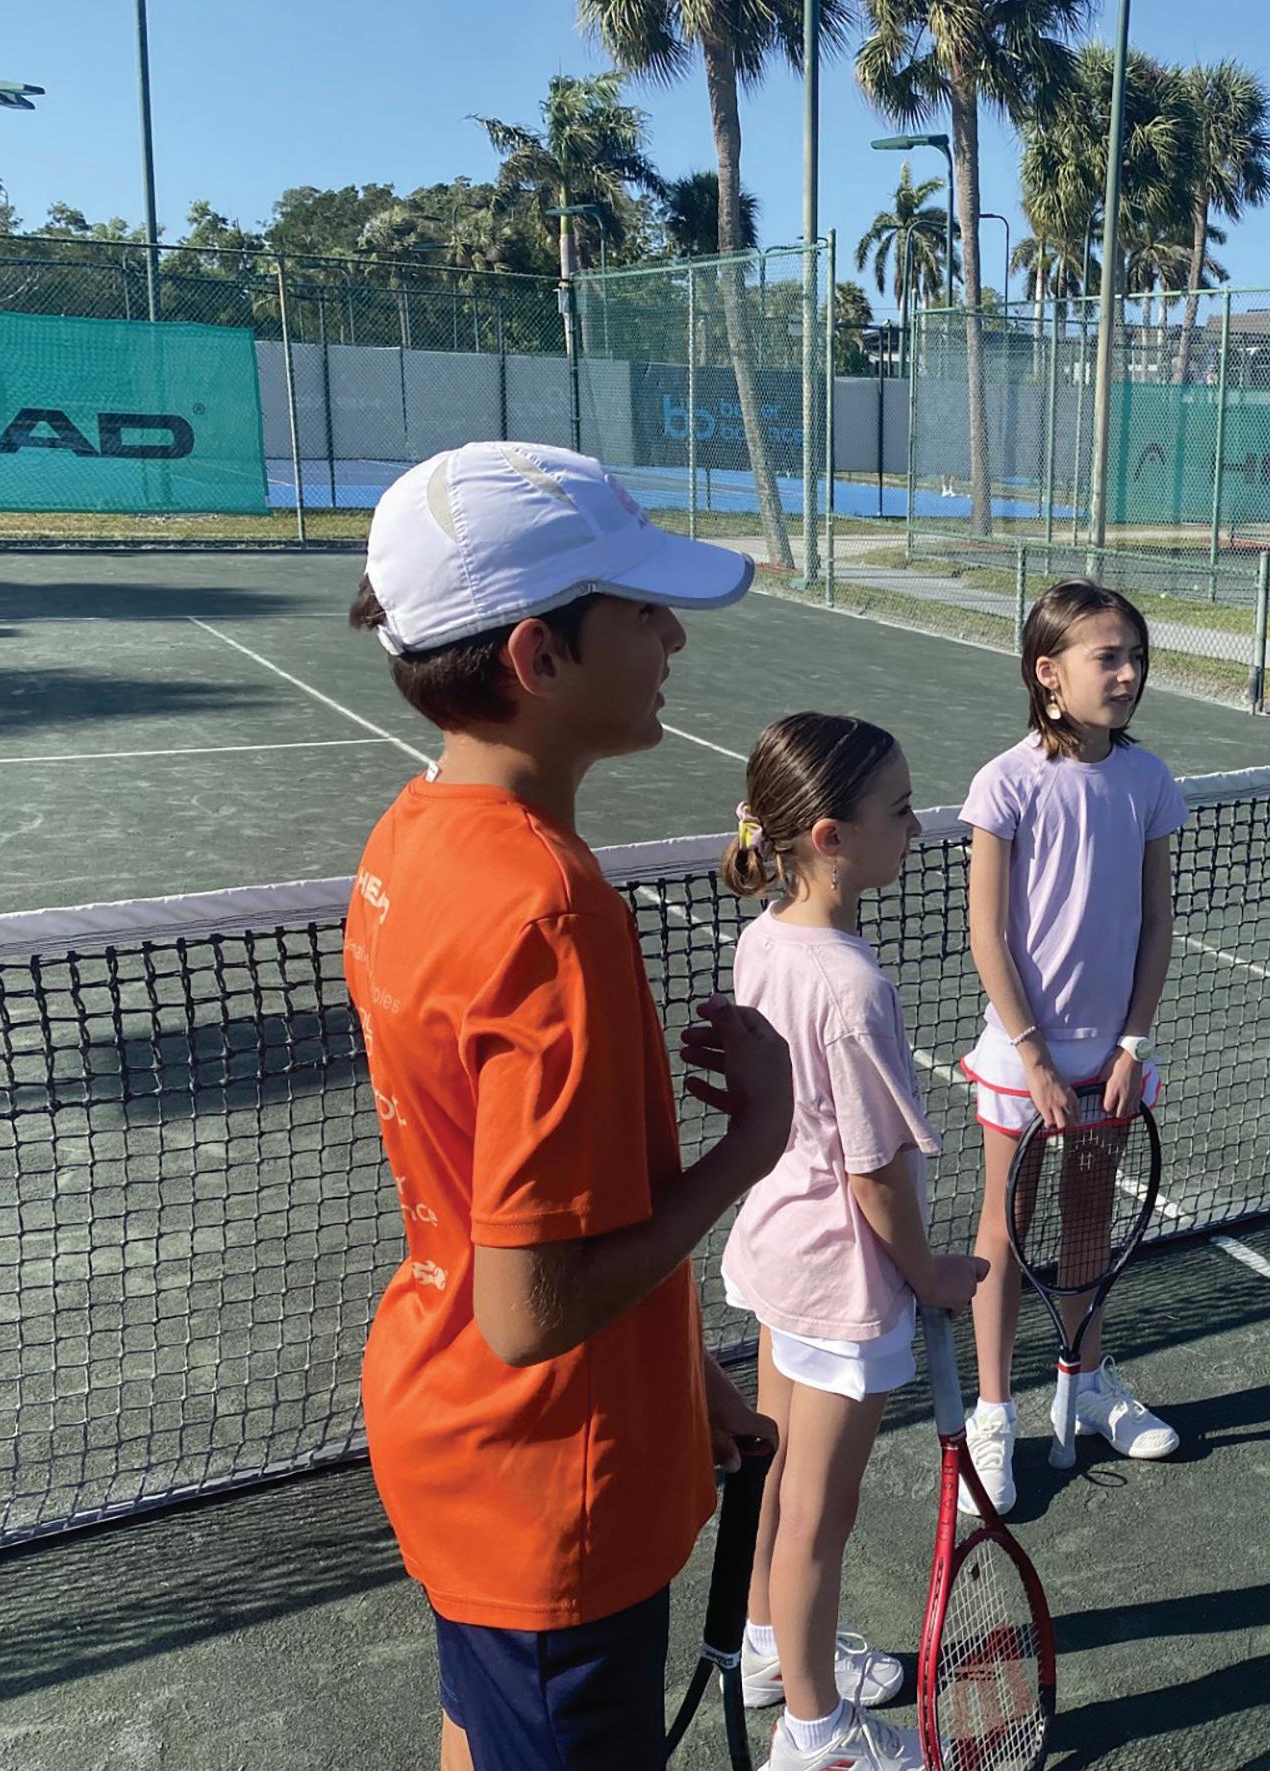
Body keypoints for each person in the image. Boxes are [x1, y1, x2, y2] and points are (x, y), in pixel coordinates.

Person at [341, 440, 792, 1771]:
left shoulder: (410, 836)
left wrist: (686, 1374)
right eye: (642, 611)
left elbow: (521, 1207)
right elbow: (531, 1310)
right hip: (551, 1491)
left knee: (476, 1729)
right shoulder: (548, 910)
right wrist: (751, 1147)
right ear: (538, 656)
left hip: (460, 1442)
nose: (671, 639)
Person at [714, 713, 989, 1771]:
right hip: (841, 1281)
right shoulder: (850, 986)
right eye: (899, 809)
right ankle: (816, 1734)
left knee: (778, 1481)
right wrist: (929, 1273)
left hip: (780, 1253)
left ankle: (770, 1648)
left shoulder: (765, 937)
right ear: (829, 837)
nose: (916, 827)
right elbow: (871, 1170)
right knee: (816, 1523)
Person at [956, 580, 1187, 1515]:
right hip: (1026, 1058)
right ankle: (993, 1411)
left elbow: (1156, 925)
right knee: (1003, 1230)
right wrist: (1035, 1058)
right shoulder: (1004, 782)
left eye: (1136, 657)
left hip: (1112, 1057)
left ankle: (1085, 1382)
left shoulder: (1149, 779)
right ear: (1048, 673)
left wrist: (1131, 1043)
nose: (1127, 673)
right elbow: (987, 933)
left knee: (1090, 1219)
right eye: (1108, 658)